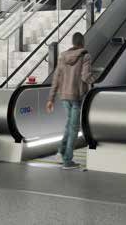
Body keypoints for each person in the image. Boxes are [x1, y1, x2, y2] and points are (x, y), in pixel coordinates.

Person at [45, 32, 94, 169]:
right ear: (82, 42)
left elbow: (56, 78)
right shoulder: (85, 56)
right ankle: (67, 160)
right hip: (76, 96)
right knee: (73, 128)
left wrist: (51, 99)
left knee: (68, 125)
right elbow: (85, 76)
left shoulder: (62, 56)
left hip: (64, 96)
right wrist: (94, 80)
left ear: (73, 42)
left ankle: (61, 151)